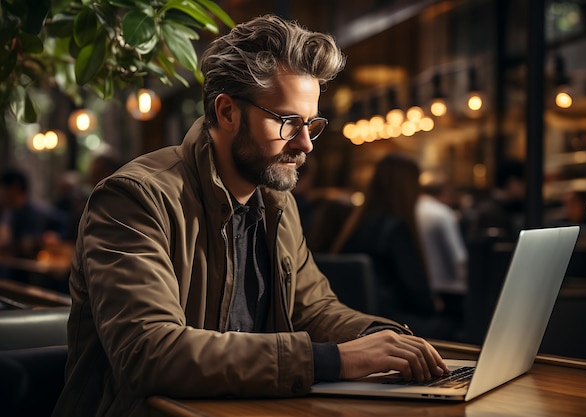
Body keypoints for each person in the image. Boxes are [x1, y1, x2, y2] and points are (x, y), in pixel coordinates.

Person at [52, 15, 448, 417]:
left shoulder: (276, 200)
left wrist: (382, 338)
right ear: (227, 113)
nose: (306, 144)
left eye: (311, 123)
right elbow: (149, 351)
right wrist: (337, 360)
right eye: (288, 122)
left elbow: (313, 309)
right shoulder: (134, 199)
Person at [331, 153, 440, 320]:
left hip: (355, 319)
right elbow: (417, 293)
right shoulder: (395, 228)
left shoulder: (355, 225)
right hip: (390, 322)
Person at [416, 178, 468, 294]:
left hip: (421, 283)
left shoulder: (412, 209)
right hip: (447, 285)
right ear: (445, 191)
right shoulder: (442, 213)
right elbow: (457, 256)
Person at [464, 158, 526, 241]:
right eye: (523, 182)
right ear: (512, 182)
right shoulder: (490, 212)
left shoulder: (507, 206)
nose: (525, 187)